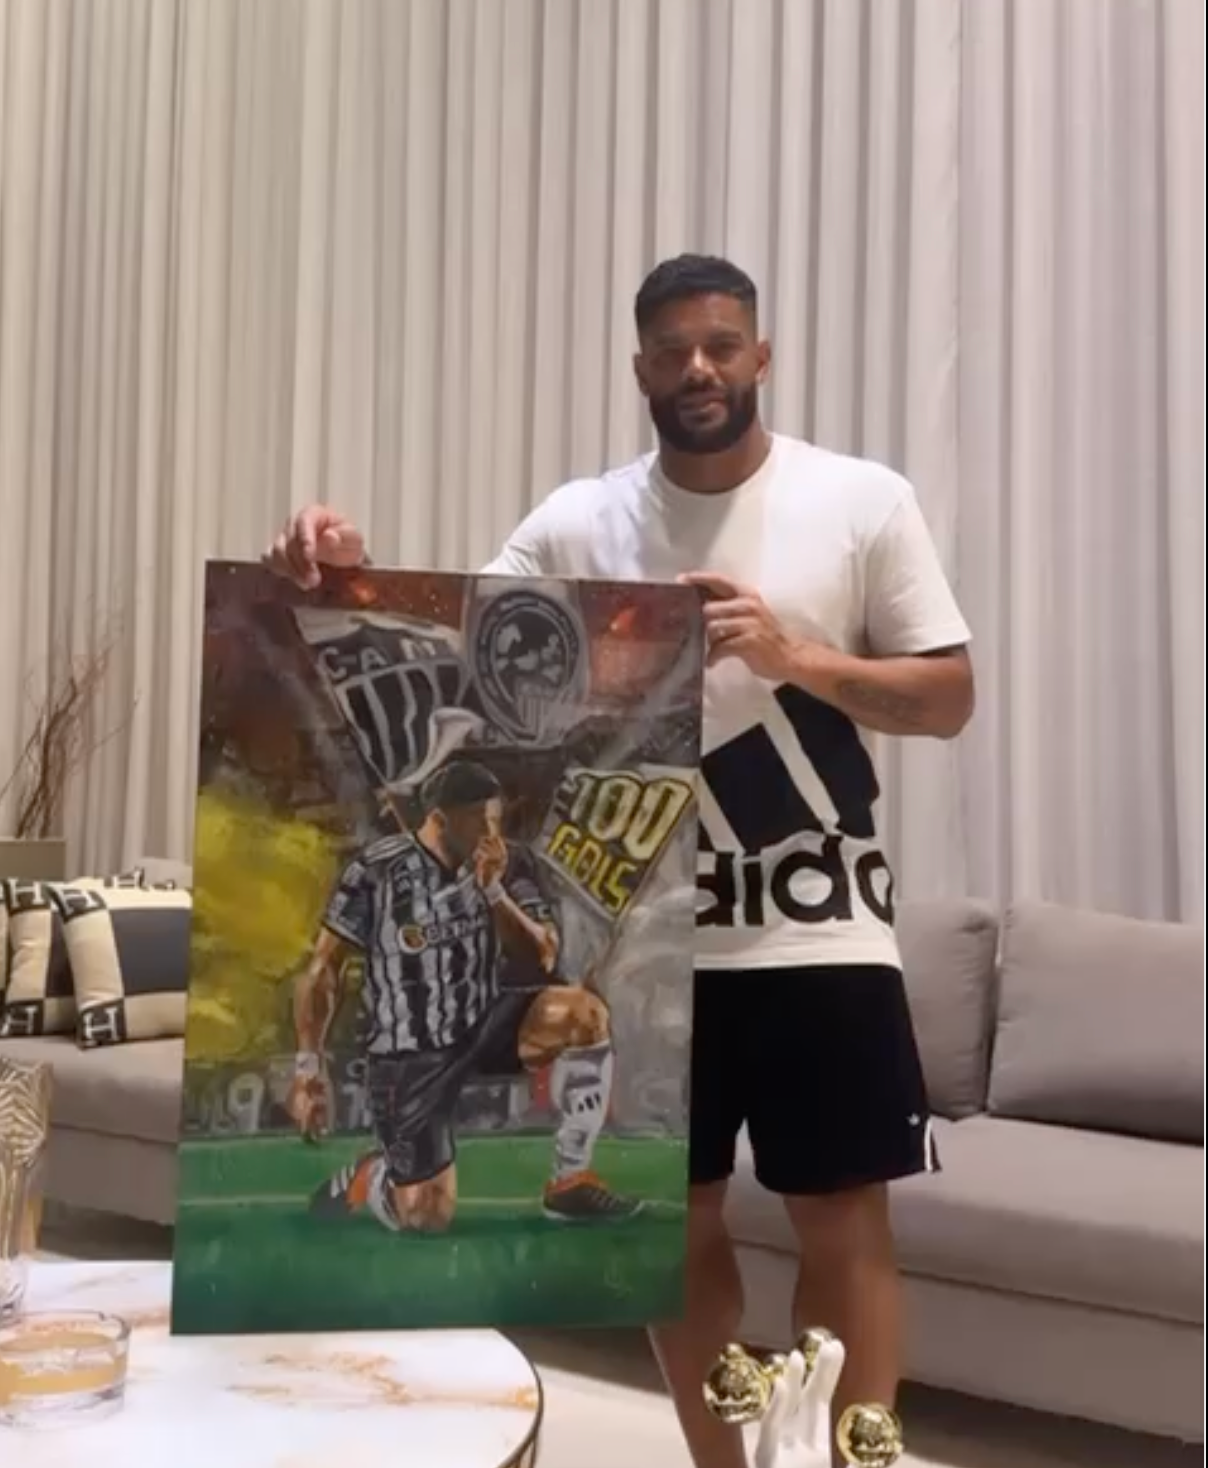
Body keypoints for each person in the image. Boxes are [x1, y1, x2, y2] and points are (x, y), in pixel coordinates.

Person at [264, 254, 975, 1468]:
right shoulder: (576, 521)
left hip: (817, 929)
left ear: (759, 356)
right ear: (639, 368)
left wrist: (794, 657)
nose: (697, 368)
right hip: (653, 949)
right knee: (672, 1232)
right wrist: (341, 573)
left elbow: (947, 697)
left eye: (720, 345)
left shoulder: (860, 500)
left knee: (843, 1222)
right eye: (671, 350)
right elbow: (451, 648)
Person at [290, 756, 640, 1231]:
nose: (492, 834)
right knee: (426, 1217)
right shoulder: (375, 870)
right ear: (440, 819)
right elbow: (322, 969)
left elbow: (542, 954)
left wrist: (493, 892)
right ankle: (373, 1176)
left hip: (483, 1018)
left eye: (496, 819)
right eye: (480, 820)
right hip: (409, 1052)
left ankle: (569, 1180)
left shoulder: (509, 862)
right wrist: (308, 1069)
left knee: (584, 1013)